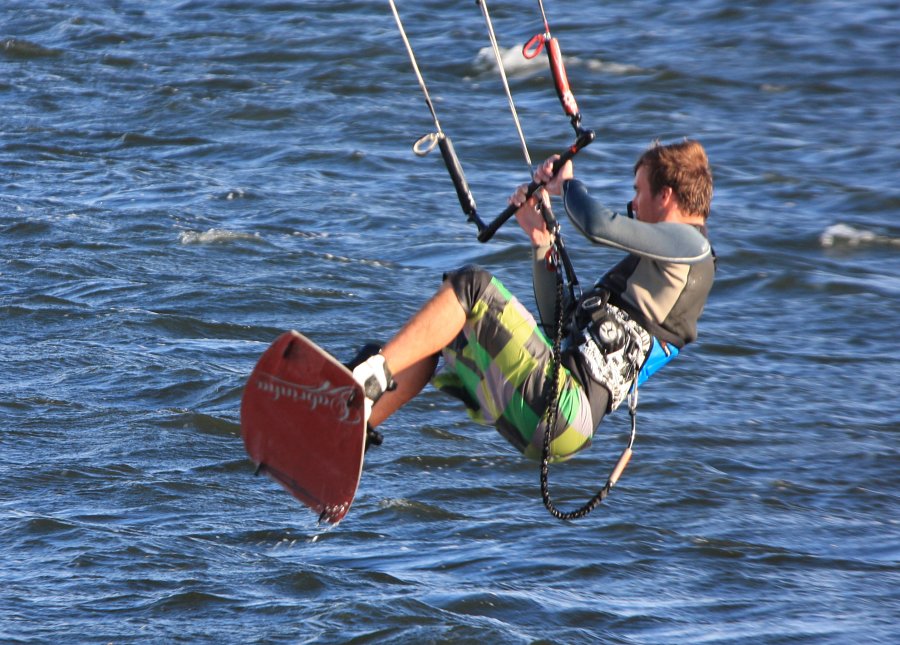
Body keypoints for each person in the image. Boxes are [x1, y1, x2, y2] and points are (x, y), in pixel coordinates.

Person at [351, 139, 715, 461]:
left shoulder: (692, 246)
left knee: (471, 286)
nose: (633, 205)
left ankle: (364, 384)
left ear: (665, 195)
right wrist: (541, 241)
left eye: (638, 191)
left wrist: (567, 184)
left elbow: (597, 225)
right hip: (556, 421)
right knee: (430, 336)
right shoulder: (658, 272)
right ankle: (353, 430)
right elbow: (558, 326)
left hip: (564, 409)